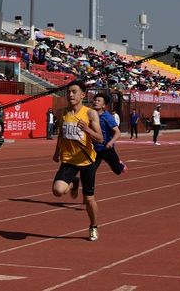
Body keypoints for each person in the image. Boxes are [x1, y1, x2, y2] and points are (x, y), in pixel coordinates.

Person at [52, 80, 103, 241]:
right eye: (68, 92)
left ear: (82, 95)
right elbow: (61, 134)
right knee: (58, 191)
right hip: (68, 160)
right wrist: (57, 152)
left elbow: (100, 138)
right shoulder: (63, 112)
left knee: (89, 199)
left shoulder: (90, 113)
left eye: (74, 92)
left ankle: (93, 226)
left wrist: (87, 129)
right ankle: (74, 182)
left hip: (87, 161)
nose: (70, 95)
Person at [92, 94, 126, 176]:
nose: (96, 102)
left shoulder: (107, 117)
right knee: (90, 172)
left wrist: (110, 143)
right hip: (94, 149)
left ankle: (120, 165)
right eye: (95, 100)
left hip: (106, 148)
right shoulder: (90, 115)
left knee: (117, 170)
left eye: (98, 101)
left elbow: (118, 132)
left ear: (103, 105)